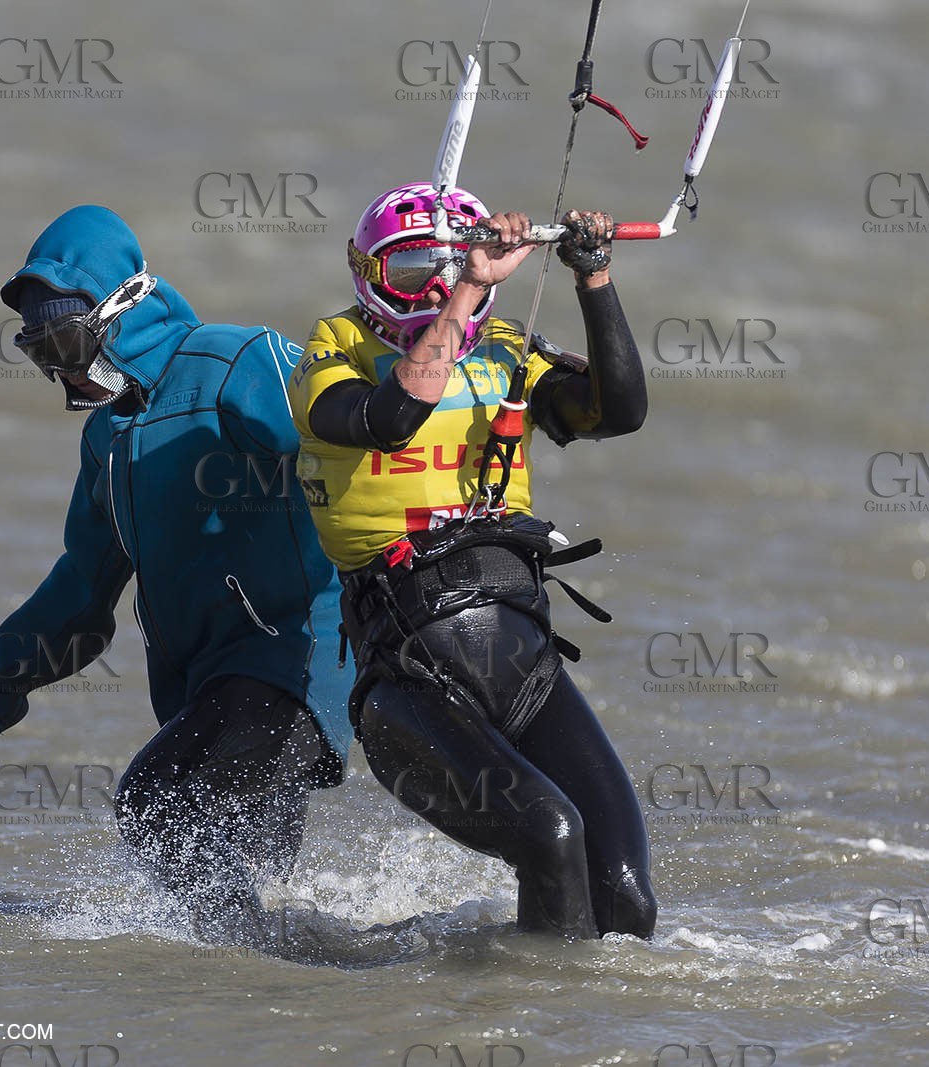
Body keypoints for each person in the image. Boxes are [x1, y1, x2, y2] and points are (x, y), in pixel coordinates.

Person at [0, 205, 352, 944]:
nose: (62, 371)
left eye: (66, 342)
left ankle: (248, 971)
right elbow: (80, 586)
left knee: (154, 801)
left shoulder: (238, 362)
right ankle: (271, 1005)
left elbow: (355, 439)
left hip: (300, 664)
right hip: (211, 697)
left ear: (122, 309)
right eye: (40, 353)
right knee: (245, 893)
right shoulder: (106, 438)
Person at [287, 181, 656, 939]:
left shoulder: (505, 352)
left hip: (525, 666)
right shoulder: (331, 355)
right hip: (411, 687)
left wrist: (595, 278)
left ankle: (595, 1036)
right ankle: (536, 1029)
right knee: (551, 839)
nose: (425, 286)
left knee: (625, 893)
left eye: (443, 266)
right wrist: (465, 288)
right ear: (365, 274)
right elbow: (393, 419)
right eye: (408, 270)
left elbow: (619, 413)